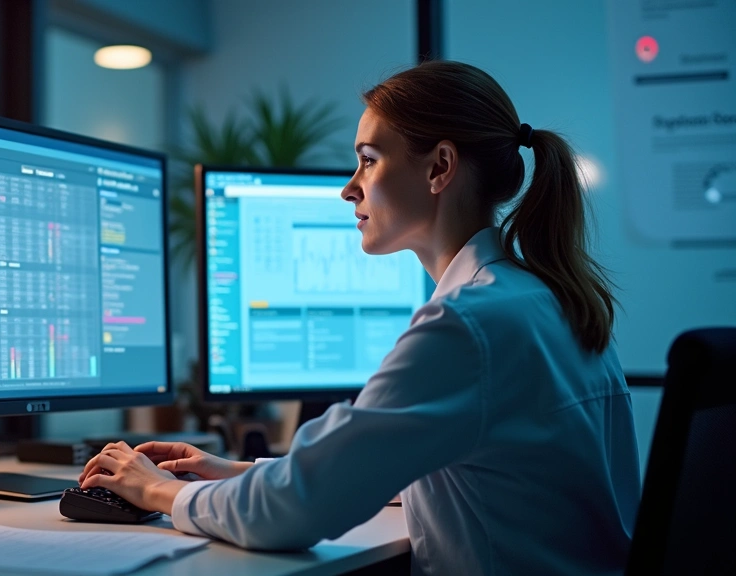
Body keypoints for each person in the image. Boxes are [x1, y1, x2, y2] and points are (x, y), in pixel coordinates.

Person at [77, 60, 641, 575]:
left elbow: (295, 512)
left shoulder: (468, 327)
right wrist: (230, 470)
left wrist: (159, 493)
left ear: (440, 167)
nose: (349, 188)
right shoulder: (550, 298)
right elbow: (389, 470)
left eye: (369, 161)